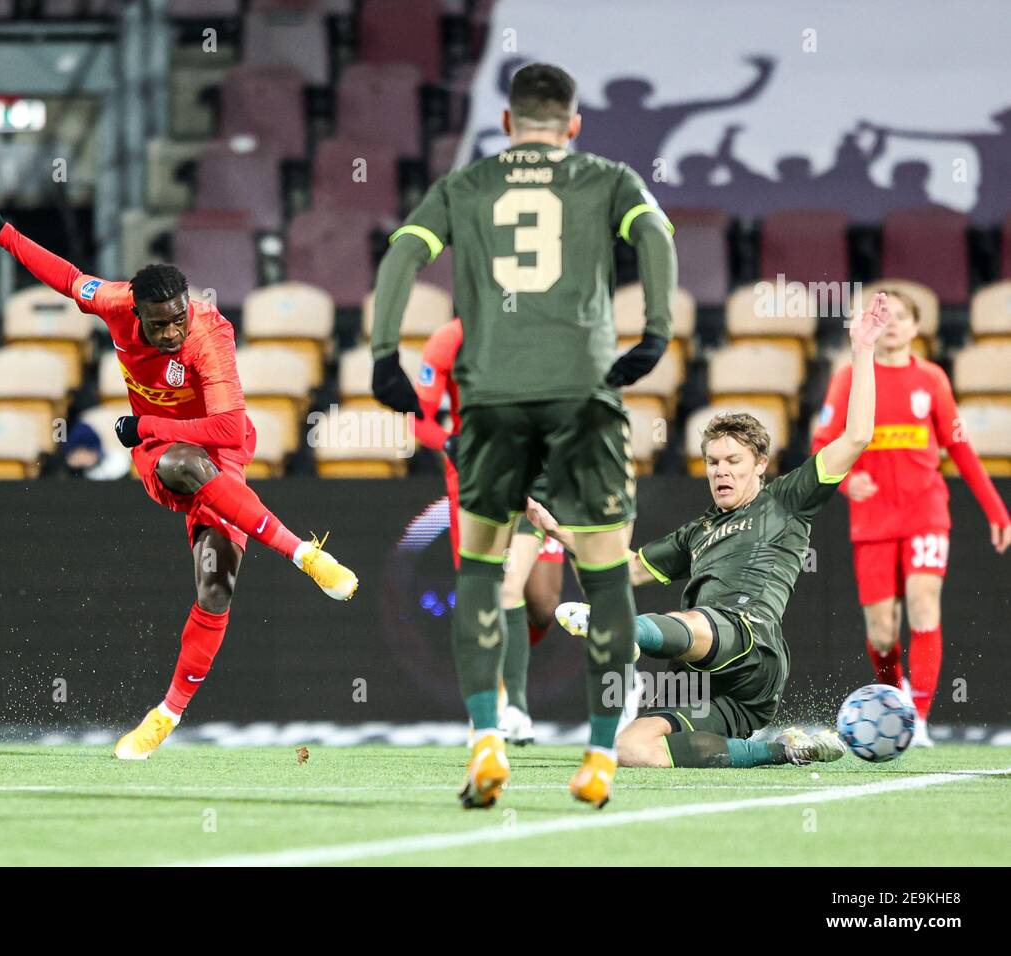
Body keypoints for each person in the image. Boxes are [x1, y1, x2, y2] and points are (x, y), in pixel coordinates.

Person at [0, 181, 358, 761]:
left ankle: (165, 715)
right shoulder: (116, 303)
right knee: (180, 462)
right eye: (161, 324)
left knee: (216, 588)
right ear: (138, 312)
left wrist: (147, 426)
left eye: (178, 320)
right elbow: (66, 277)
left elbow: (225, 431)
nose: (172, 332)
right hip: (168, 458)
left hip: (217, 456)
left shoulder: (208, 335)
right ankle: (305, 554)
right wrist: (2, 232)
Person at [370, 63, 678, 808]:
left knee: (479, 572)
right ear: (573, 125)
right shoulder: (606, 176)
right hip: (584, 397)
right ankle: (602, 754)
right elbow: (660, 236)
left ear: (507, 123)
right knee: (605, 577)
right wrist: (656, 333)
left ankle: (487, 739)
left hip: (494, 400)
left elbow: (403, 253)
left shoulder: (466, 185)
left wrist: (384, 353)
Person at [531, 293, 892, 770]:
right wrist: (561, 534)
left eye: (733, 462)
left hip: (752, 648)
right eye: (713, 462)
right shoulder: (697, 531)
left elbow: (857, 436)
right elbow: (626, 569)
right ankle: (782, 749)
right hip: (715, 687)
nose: (721, 471)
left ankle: (620, 630)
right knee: (633, 750)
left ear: (760, 464)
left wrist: (863, 350)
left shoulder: (786, 499)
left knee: (702, 620)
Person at [811, 289, 1010, 745]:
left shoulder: (933, 380)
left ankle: (917, 718)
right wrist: (844, 482)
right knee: (882, 632)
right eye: (885, 316)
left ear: (917, 327)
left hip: (925, 511)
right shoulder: (849, 378)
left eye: (902, 316)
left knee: (923, 604)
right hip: (873, 518)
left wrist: (996, 509)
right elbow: (823, 443)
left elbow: (959, 446)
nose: (893, 323)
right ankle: (895, 692)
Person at [412, 317, 574, 745]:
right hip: (476, 477)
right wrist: (451, 445)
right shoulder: (449, 338)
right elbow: (417, 419)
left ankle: (507, 686)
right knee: (501, 586)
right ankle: (508, 707)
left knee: (542, 607)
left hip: (536, 470)